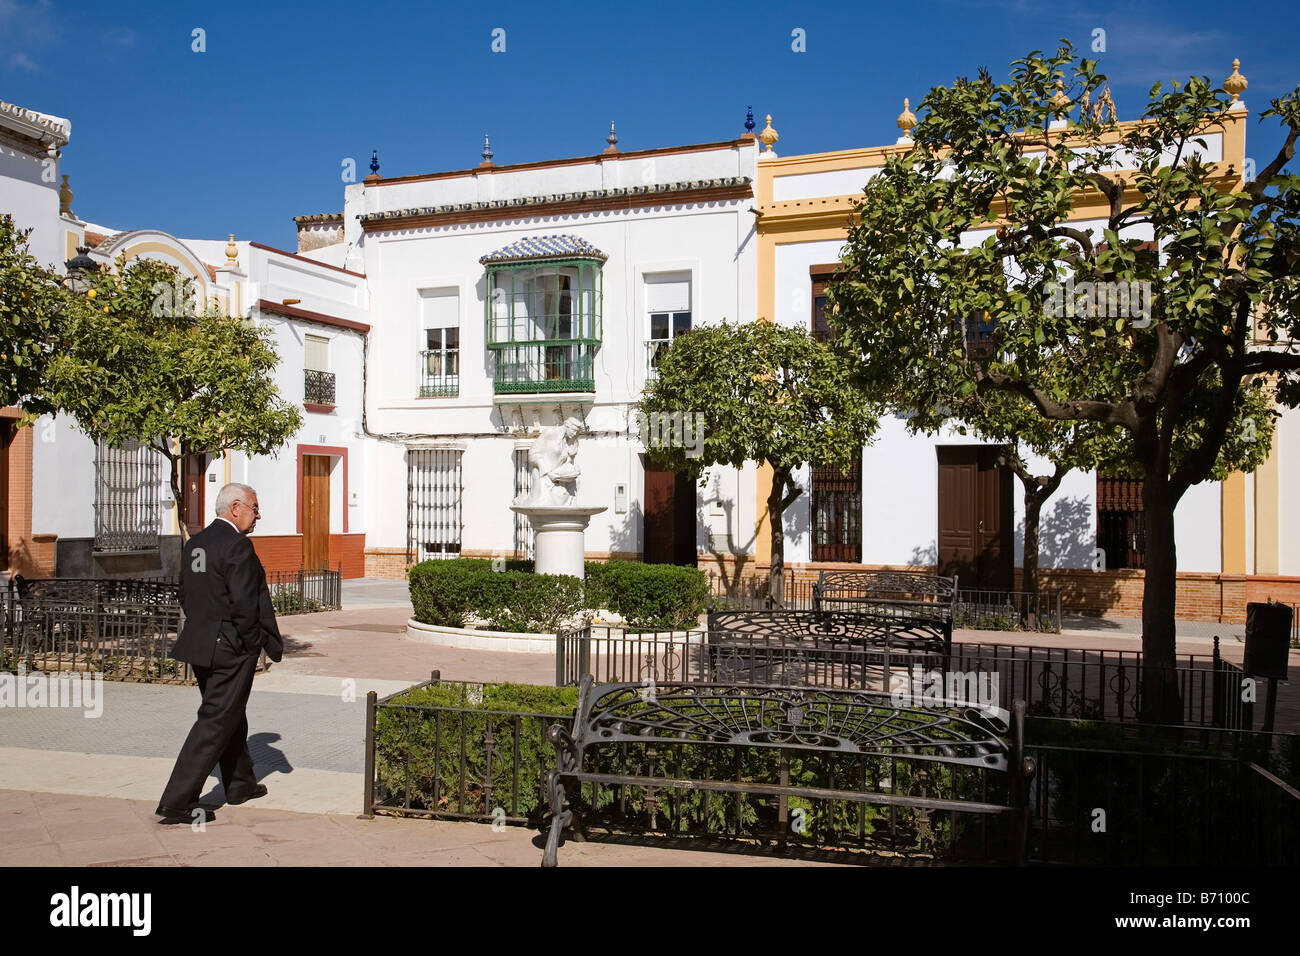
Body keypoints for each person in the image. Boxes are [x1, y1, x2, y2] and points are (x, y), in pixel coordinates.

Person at [155, 482, 284, 823]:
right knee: (214, 720)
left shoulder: (196, 543)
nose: (258, 515)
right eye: (255, 508)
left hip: (200, 643)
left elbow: (186, 594)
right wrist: (252, 641)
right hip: (230, 646)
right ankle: (177, 800)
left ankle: (240, 784)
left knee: (230, 713)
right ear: (236, 508)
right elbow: (244, 603)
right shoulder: (237, 546)